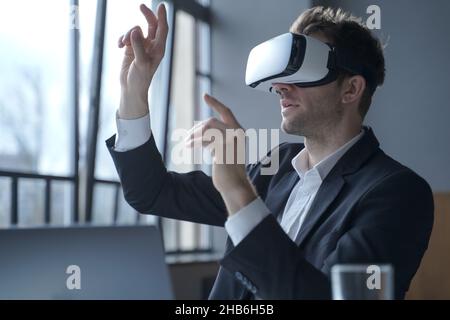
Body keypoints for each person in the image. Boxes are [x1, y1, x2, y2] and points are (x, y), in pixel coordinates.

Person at [106, 4, 434, 299]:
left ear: (351, 88)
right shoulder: (273, 167)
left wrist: (236, 188)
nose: (279, 86)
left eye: (302, 70)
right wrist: (133, 92)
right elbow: (151, 192)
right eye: (280, 72)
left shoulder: (398, 193)